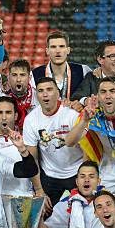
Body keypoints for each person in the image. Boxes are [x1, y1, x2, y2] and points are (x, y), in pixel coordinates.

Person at [24, 77, 83, 205]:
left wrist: (83, 177)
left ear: (58, 92)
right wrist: (39, 190)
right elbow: (32, 159)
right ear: (36, 94)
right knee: (44, 215)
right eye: (40, 91)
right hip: (50, 176)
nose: (45, 94)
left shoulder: (72, 113)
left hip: (76, 172)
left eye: (49, 89)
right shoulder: (31, 120)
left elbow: (87, 150)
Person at [32, 31, 92, 102]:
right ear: (47, 51)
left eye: (61, 46)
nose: (58, 51)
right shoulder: (34, 75)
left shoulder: (83, 70)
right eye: (53, 47)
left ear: (68, 50)